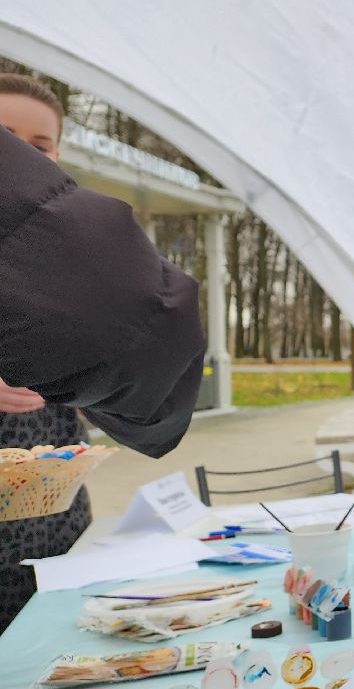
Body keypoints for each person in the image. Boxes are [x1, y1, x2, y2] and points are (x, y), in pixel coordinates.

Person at [0, 83, 205, 459]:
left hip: (55, 485)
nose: (23, 154)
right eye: (6, 138)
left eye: (40, 145)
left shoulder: (94, 247)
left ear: (57, 154)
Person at [0, 77, 90, 629]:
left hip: (53, 511)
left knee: (46, 655)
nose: (20, 153)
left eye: (39, 144)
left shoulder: (71, 244)